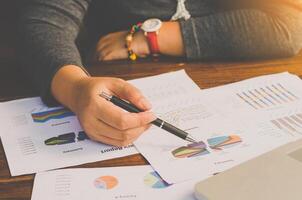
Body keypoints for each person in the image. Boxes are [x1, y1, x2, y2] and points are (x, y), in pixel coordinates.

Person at [19, 0, 302, 147]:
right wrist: (77, 89)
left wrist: (151, 37)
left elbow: (289, 26)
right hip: (112, 84)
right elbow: (43, 23)